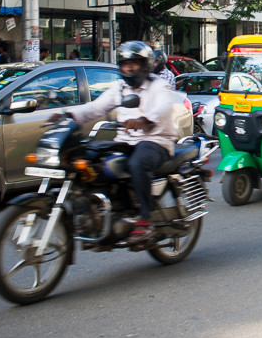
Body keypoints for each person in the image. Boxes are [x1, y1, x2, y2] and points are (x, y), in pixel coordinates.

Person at [51, 41, 190, 244]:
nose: (130, 68)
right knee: (90, 161)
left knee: (137, 164)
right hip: (125, 141)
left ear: (146, 64)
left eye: (135, 63)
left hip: (155, 140)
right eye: (126, 64)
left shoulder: (158, 85)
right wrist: (66, 114)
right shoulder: (120, 87)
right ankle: (107, 210)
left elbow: (163, 108)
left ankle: (145, 219)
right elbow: (95, 108)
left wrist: (143, 119)